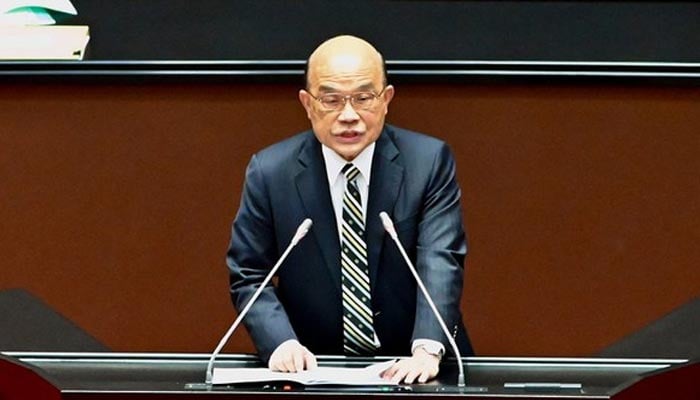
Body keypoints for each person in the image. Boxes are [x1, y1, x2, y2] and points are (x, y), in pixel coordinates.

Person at [227, 35, 472, 384]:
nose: (348, 116)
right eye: (331, 99)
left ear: (386, 99)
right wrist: (280, 343)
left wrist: (427, 349)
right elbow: (250, 272)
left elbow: (440, 258)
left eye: (363, 98)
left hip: (418, 367)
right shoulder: (270, 172)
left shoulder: (428, 163)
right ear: (307, 103)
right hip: (313, 370)